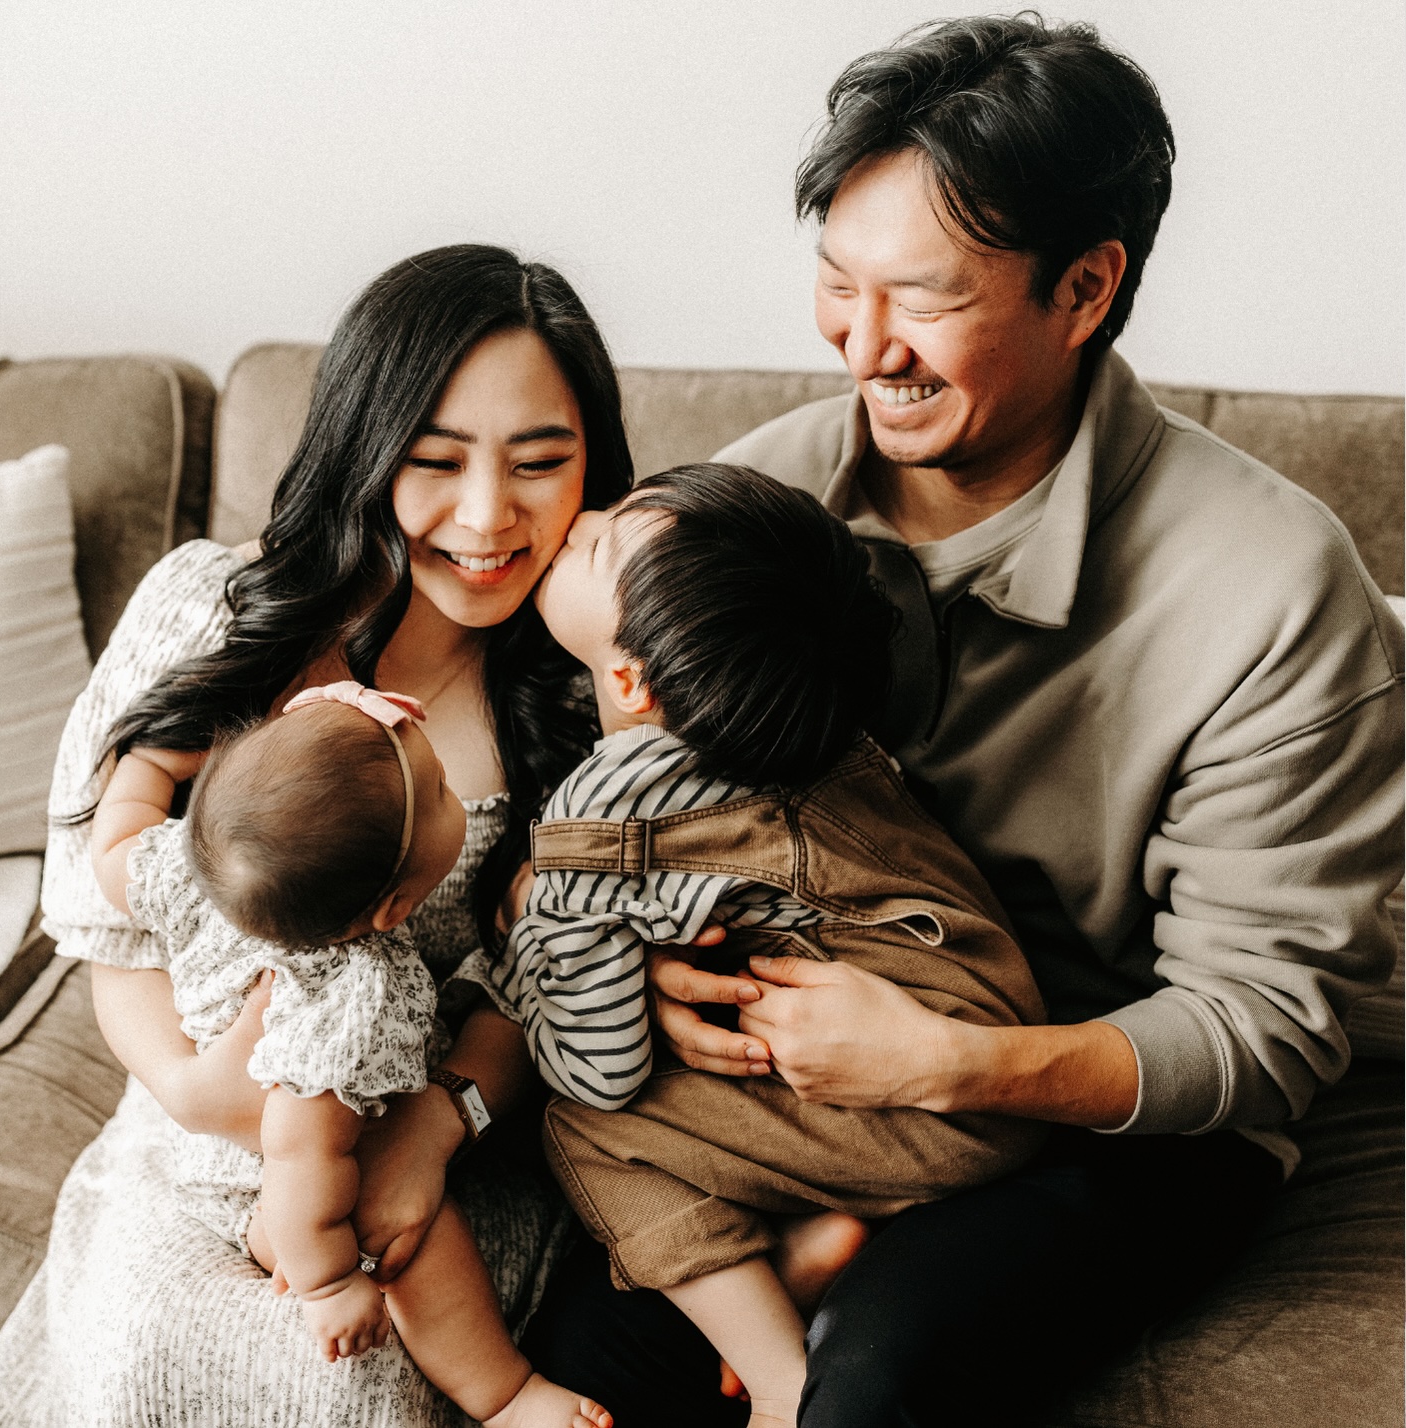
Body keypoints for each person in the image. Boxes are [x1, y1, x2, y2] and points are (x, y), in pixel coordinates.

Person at [522, 16, 1404, 1426]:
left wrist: (951, 1061)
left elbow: (1271, 1025)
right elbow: (623, 803)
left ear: (1086, 287)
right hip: (807, 1082)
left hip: (1123, 1105)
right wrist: (665, 984)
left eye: (922, 299)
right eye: (834, 285)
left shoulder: (1274, 589)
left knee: (883, 1375)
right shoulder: (750, 510)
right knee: (577, 1359)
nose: (865, 348)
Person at [0, 242, 634, 1427]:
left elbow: (551, 980)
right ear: (365, 454)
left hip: (428, 1143)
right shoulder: (215, 612)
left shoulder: (586, 685)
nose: (487, 516)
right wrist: (193, 1089)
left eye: (541, 463)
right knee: (147, 1353)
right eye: (434, 463)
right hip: (190, 1141)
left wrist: (432, 1129)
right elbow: (100, 910)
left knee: (345, 1386)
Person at [489, 464, 1045, 1427]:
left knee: (585, 1125)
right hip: (997, 1031)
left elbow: (598, 1063)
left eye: (596, 544)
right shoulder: (808, 717)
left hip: (931, 1104)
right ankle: (817, 1229)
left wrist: (529, 945)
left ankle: (781, 1384)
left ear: (631, 679)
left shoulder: (604, 809)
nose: (575, 519)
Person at [85, 682, 610, 1427]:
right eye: (437, 792)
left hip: (228, 1155)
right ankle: (504, 1393)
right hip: (283, 1180)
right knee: (418, 1242)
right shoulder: (351, 997)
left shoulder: (191, 868)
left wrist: (149, 767)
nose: (452, 789)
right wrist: (330, 1279)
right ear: (394, 909)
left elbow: (113, 847)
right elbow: (302, 1152)